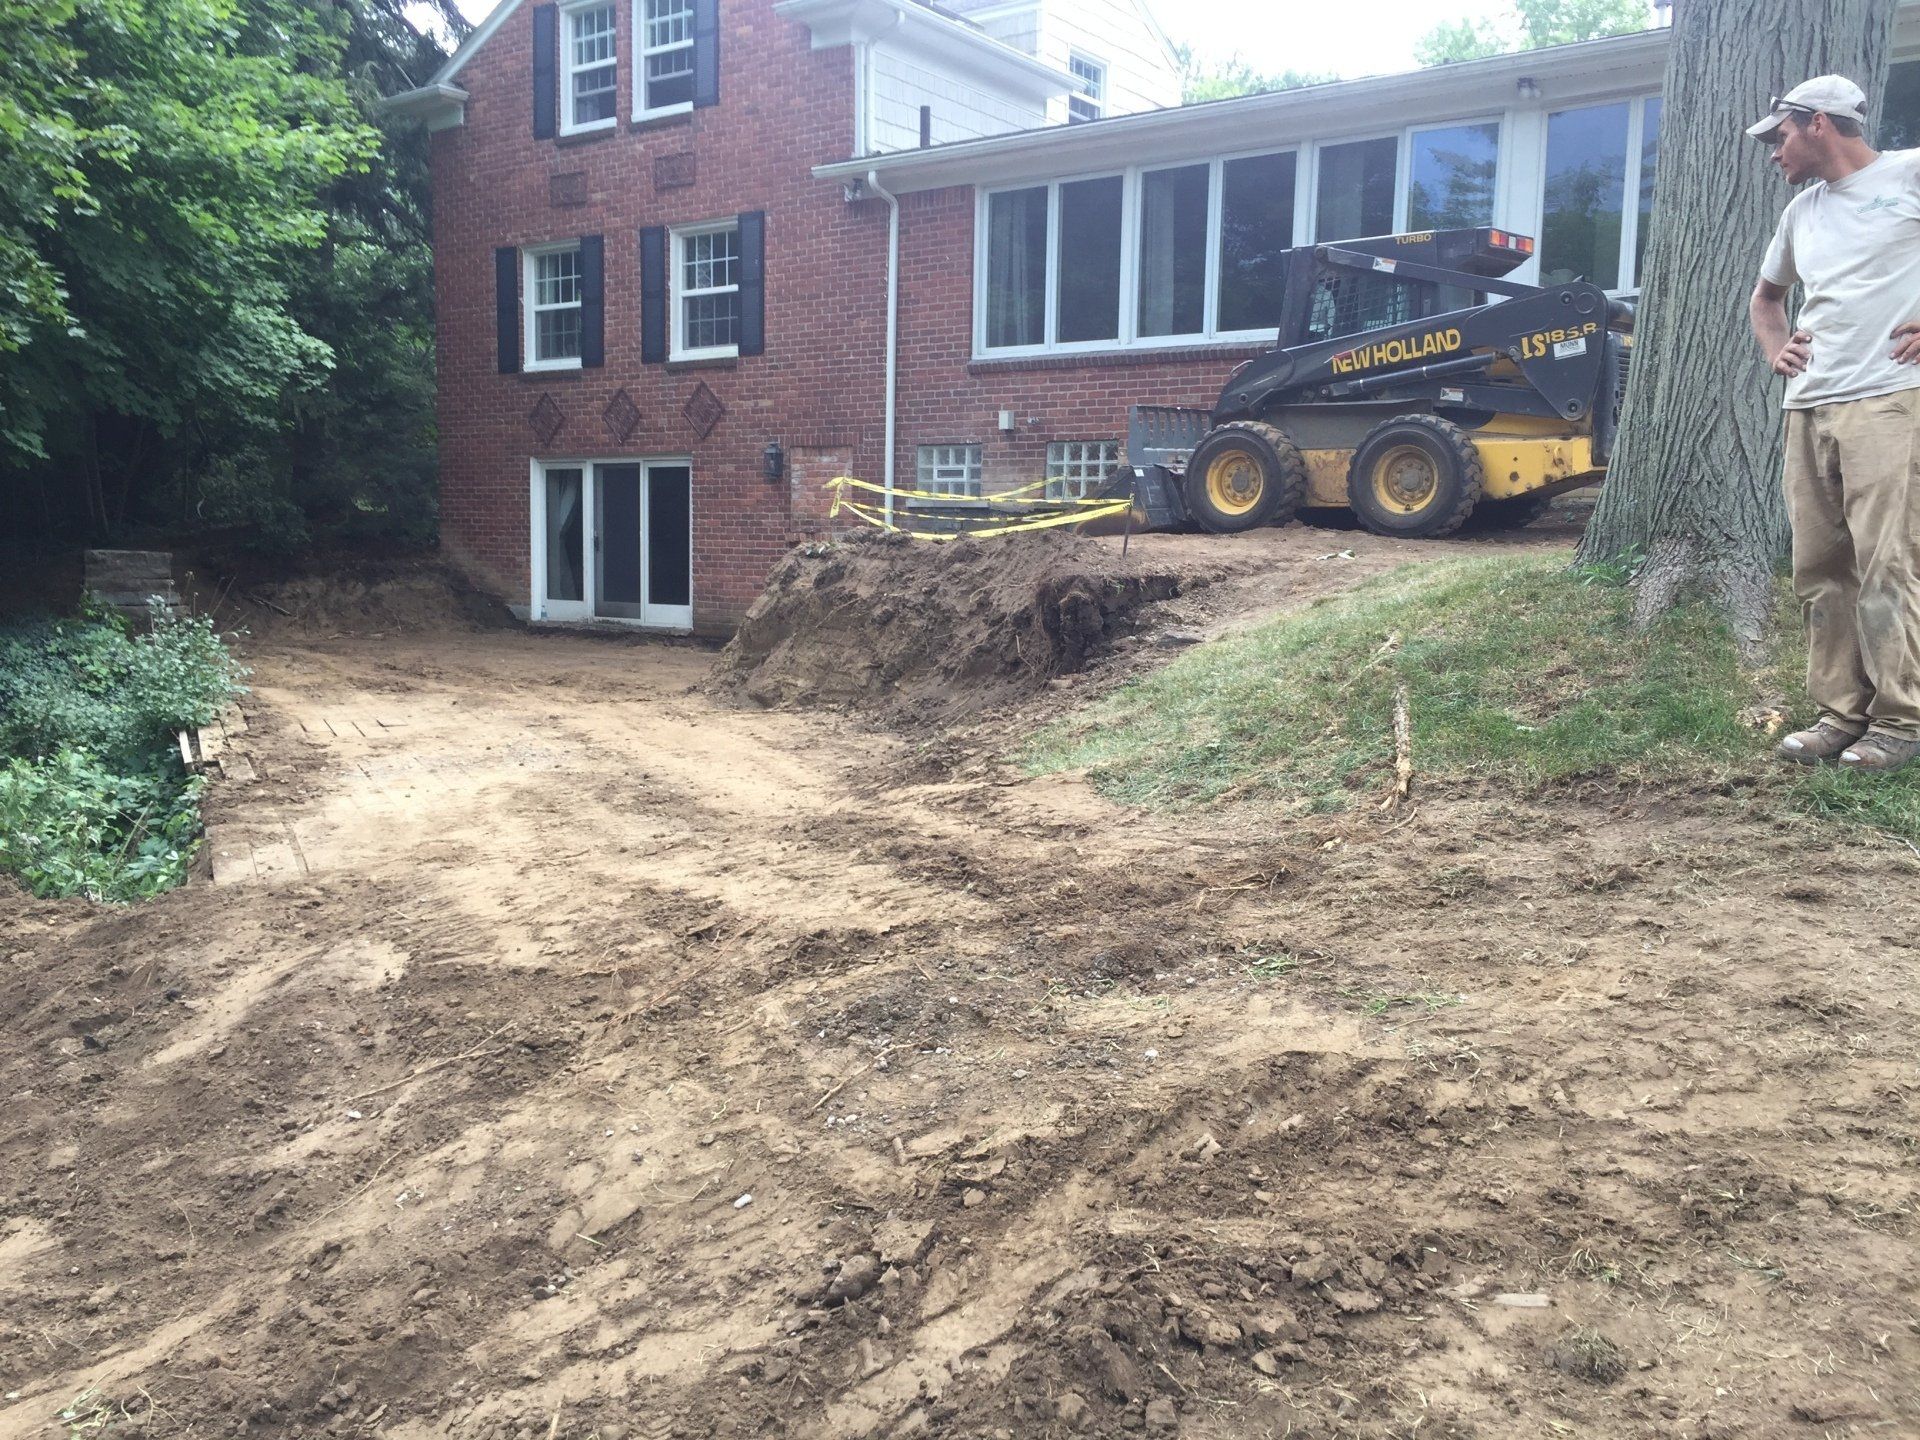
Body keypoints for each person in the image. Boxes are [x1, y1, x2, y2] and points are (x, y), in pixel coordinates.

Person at [1748, 76, 1920, 771]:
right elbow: (1767, 299)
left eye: (1779, 135)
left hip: (1889, 397)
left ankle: (1903, 722)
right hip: (1810, 404)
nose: (1772, 152)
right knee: (1821, 566)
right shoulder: (1802, 214)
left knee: (1889, 560)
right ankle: (1839, 714)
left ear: (1819, 123)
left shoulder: (1910, 173)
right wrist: (1774, 348)